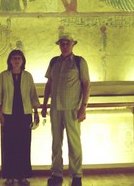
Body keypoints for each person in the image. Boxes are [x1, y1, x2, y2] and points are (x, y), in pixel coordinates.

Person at [42, 34, 90, 186]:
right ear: (59, 45)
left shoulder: (79, 61)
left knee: (74, 143)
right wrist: (44, 105)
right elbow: (49, 84)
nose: (64, 46)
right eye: (62, 43)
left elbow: (86, 84)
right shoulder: (54, 62)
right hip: (55, 108)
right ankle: (56, 174)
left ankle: (76, 175)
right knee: (56, 143)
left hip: (72, 109)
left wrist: (83, 107)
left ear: (72, 45)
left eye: (67, 43)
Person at [0, 50, 40, 185]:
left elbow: (33, 94)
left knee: (24, 145)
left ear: (23, 61)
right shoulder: (3, 76)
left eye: (19, 58)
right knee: (9, 146)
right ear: (10, 60)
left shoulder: (28, 76)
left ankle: (23, 175)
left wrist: (36, 112)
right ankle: (9, 176)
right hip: (8, 114)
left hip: (25, 114)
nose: (16, 61)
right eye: (14, 58)